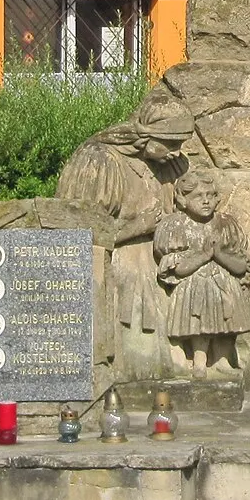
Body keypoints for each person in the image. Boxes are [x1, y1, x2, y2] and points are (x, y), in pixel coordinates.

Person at [57, 92, 195, 332]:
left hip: (163, 270)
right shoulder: (99, 161)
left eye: (180, 145)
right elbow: (77, 238)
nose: (176, 152)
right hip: (122, 271)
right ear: (147, 136)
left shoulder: (169, 164)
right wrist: (140, 226)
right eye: (171, 144)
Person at [153, 168, 250, 373]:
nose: (206, 201)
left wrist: (219, 255)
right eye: (198, 196)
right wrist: (203, 256)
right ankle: (199, 360)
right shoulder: (176, 226)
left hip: (224, 285)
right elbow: (178, 269)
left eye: (210, 195)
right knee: (198, 322)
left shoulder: (226, 225)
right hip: (193, 287)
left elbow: (241, 265)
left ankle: (222, 360)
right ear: (183, 200)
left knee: (226, 325)